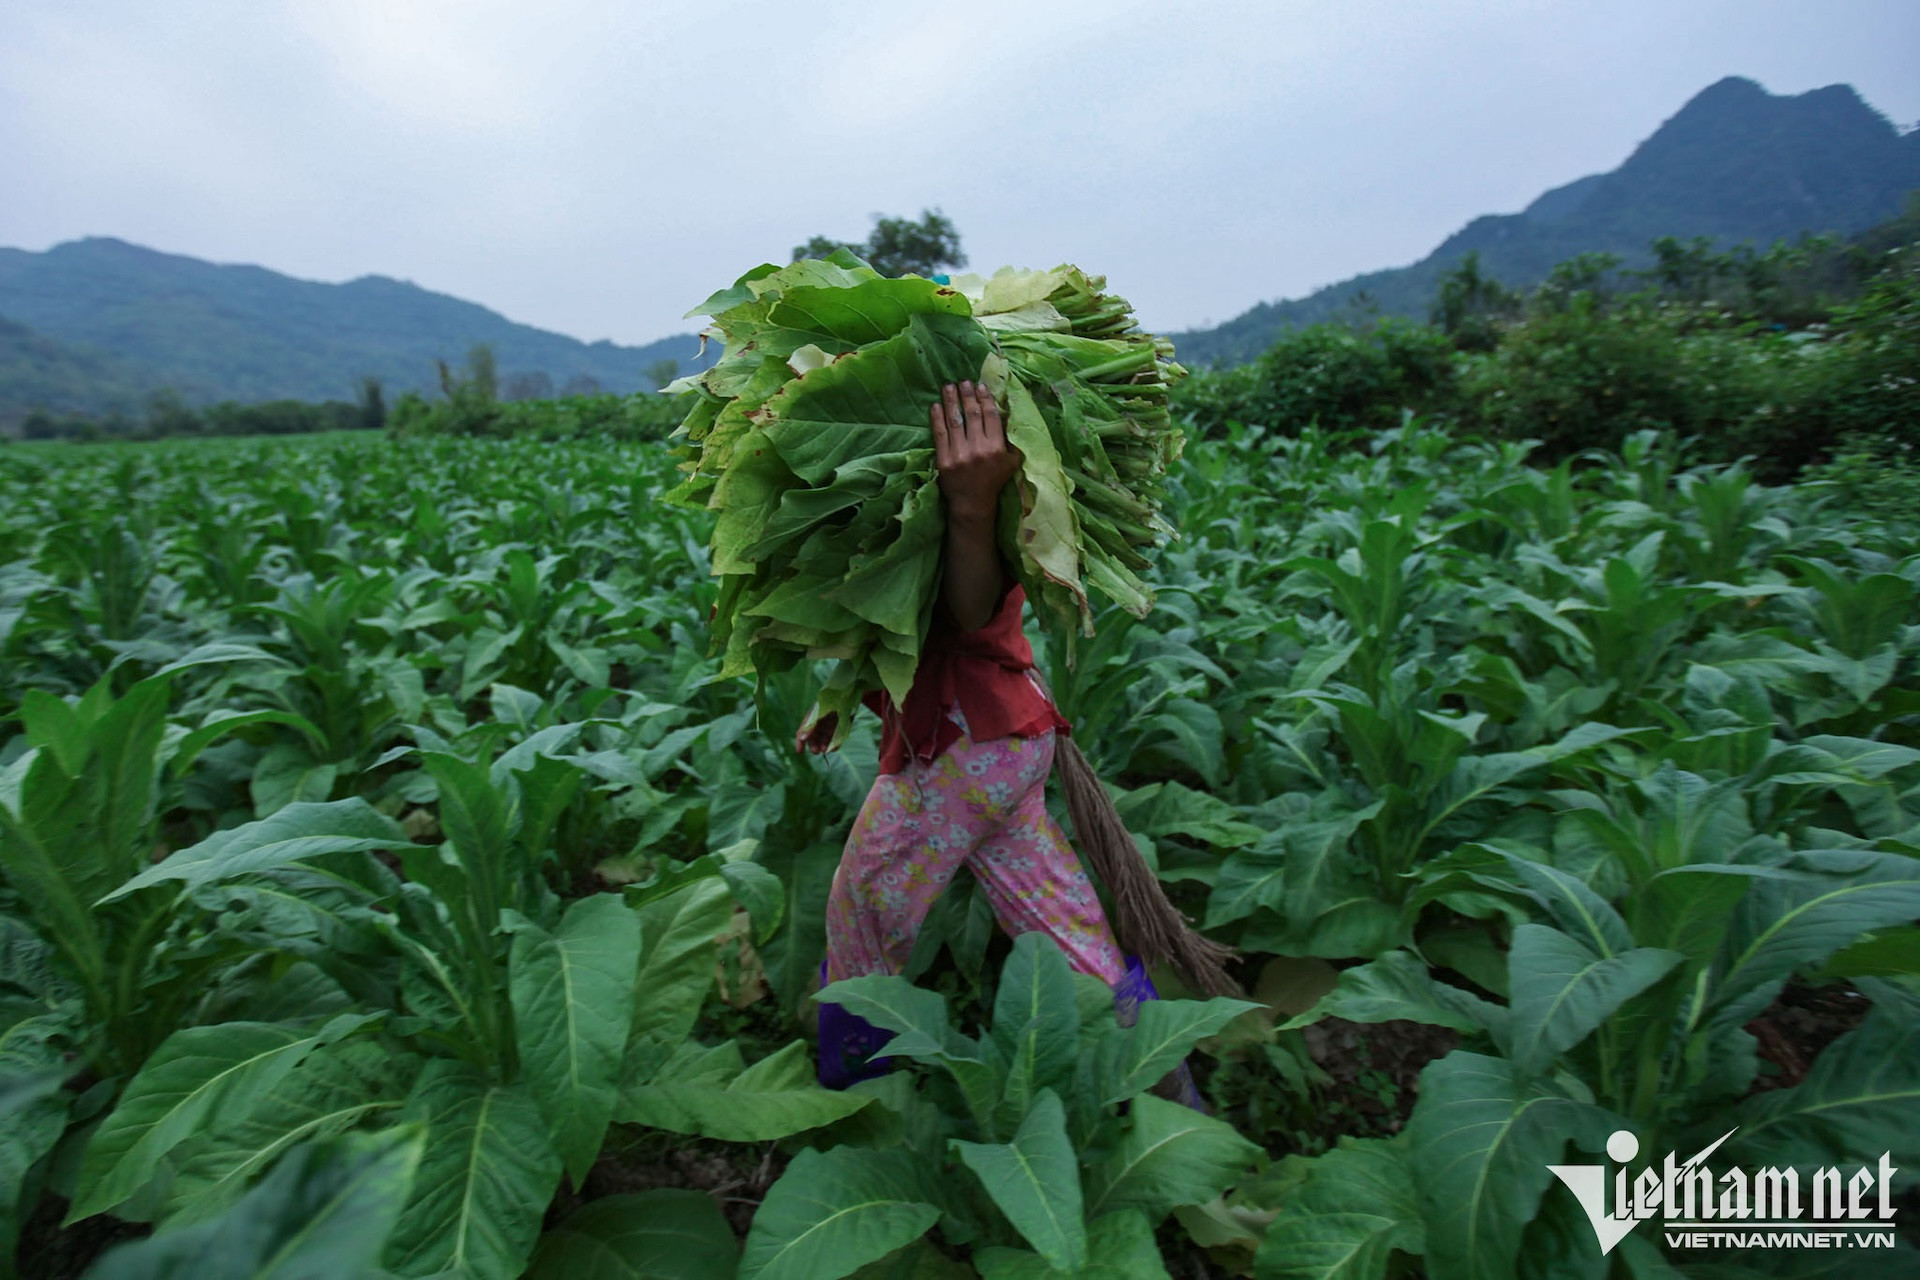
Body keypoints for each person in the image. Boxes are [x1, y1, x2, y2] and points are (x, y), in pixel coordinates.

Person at [797, 379, 1160, 1089]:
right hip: (1005, 736)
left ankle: (858, 1112)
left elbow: (969, 616)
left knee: (861, 918)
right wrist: (839, 697)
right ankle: (1161, 1082)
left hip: (960, 748)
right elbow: (911, 628)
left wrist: (970, 506)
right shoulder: (927, 507)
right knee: (1061, 926)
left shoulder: (977, 502)